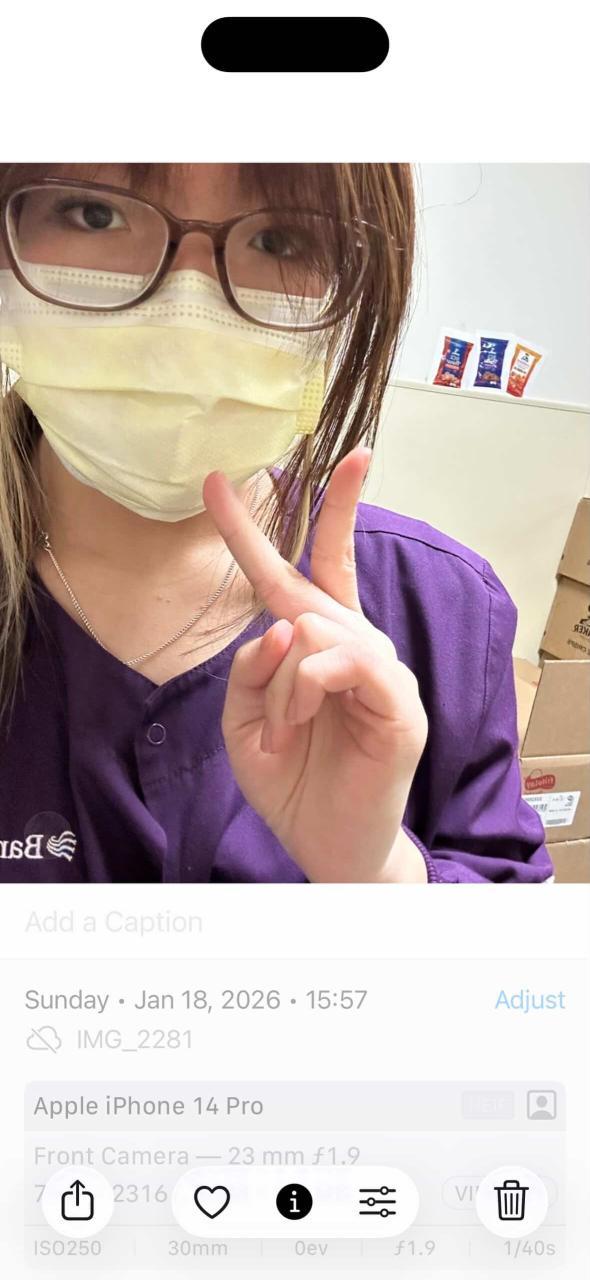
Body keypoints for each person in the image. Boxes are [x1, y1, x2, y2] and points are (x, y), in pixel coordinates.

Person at [0, 162, 552, 883]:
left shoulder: (445, 609)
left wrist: (380, 873)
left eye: (281, 239)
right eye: (93, 214)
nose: (185, 309)